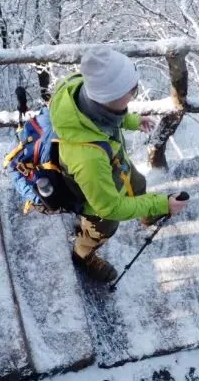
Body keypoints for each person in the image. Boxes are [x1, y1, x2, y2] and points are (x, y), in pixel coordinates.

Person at [48, 46, 188, 282]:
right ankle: (83, 253)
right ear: (109, 98)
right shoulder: (88, 158)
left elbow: (107, 115)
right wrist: (161, 204)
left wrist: (131, 121)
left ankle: (145, 214)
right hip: (97, 197)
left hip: (114, 165)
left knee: (138, 182)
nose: (135, 92)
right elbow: (110, 208)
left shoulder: (82, 90)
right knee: (104, 228)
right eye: (131, 90)